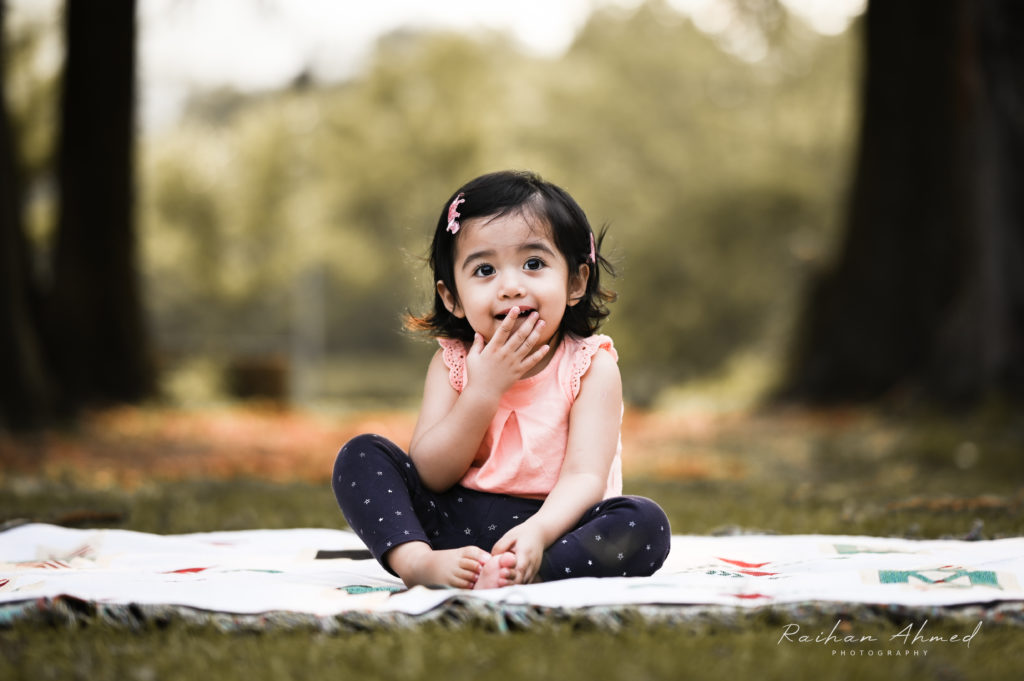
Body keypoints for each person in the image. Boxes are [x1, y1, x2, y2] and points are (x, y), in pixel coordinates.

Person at [332, 170, 670, 589]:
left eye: (533, 264)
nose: (510, 286)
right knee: (361, 455)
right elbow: (431, 473)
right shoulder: (452, 364)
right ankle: (419, 563)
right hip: (452, 526)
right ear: (452, 297)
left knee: (645, 522)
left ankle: (527, 570)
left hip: (555, 525)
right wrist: (483, 390)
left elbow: (585, 476)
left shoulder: (590, 365)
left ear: (575, 281)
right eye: (484, 270)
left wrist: (539, 533)